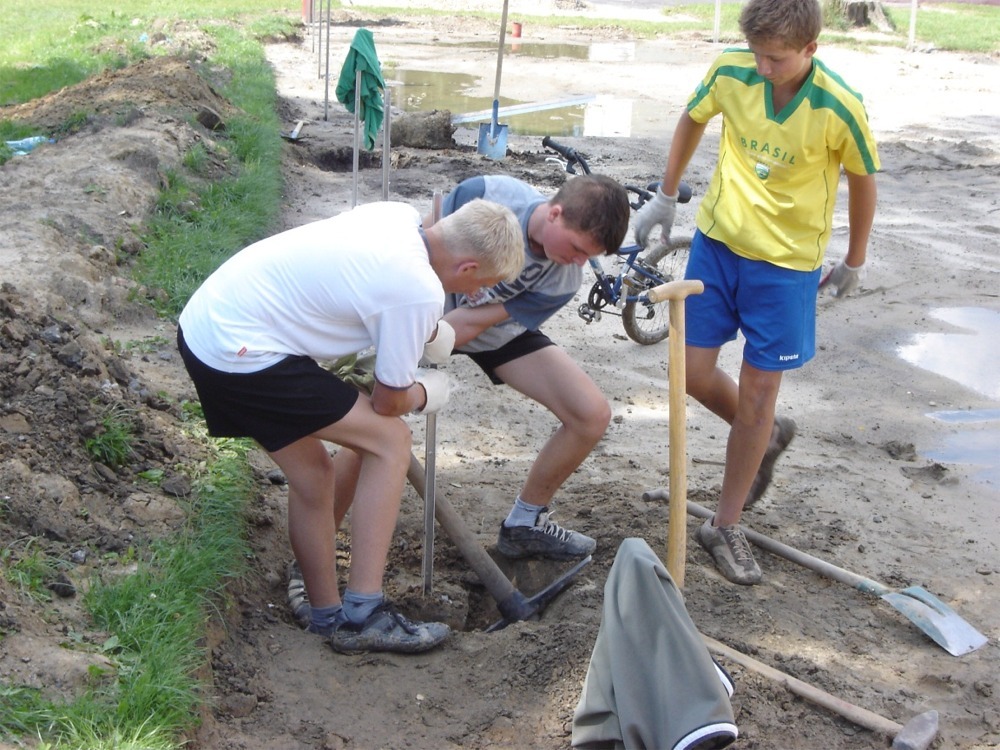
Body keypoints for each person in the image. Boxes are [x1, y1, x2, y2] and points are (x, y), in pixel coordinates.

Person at [177, 198, 524, 653]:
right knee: (389, 440)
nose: (477, 296)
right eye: (483, 284)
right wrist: (427, 392)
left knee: (314, 475)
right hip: (242, 353)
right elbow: (388, 401)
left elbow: (365, 289)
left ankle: (327, 617)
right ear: (467, 266)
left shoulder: (397, 216)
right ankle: (365, 613)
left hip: (208, 326)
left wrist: (428, 333)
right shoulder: (417, 289)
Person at [633, 0, 879, 585]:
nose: (763, 68)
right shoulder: (731, 69)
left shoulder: (839, 106)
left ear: (810, 50)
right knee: (689, 373)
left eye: (777, 58)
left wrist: (854, 261)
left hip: (788, 267)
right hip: (718, 246)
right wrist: (666, 194)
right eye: (758, 54)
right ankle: (763, 437)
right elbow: (693, 117)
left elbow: (864, 181)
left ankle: (725, 522)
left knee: (760, 390)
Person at [433, 173, 630, 561]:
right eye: (576, 248)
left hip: (489, 329)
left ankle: (524, 524)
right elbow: (425, 252)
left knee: (591, 415)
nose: (578, 262)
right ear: (554, 213)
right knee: (380, 413)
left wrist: (435, 344)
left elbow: (476, 323)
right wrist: (407, 355)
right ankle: (314, 559)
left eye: (588, 257)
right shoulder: (486, 195)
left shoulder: (564, 278)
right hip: (430, 304)